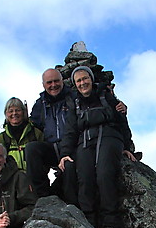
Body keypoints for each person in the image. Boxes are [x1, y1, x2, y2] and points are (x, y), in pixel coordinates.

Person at [58, 66, 136, 228]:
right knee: (85, 177)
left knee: (104, 175)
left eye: (85, 78)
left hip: (109, 136)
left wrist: (128, 147)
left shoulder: (106, 97)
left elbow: (122, 120)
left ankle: (110, 224)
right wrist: (65, 154)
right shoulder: (74, 103)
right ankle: (89, 221)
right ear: (75, 84)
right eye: (78, 81)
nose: (82, 83)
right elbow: (70, 131)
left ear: (91, 79)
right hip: (85, 140)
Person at [26, 68, 128, 203]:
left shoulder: (74, 96)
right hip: (52, 147)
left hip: (73, 145)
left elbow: (94, 100)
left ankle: (73, 209)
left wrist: (118, 105)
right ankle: (43, 199)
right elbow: (32, 125)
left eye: (56, 81)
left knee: (69, 167)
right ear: (43, 85)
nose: (53, 85)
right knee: (32, 149)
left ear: (63, 81)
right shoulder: (40, 104)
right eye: (49, 82)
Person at [0, 97, 43, 171]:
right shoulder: (2, 138)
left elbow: (45, 157)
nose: (14, 113)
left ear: (23, 112)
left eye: (17, 110)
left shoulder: (36, 133)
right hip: (12, 180)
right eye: (11, 111)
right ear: (6, 114)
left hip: (35, 179)